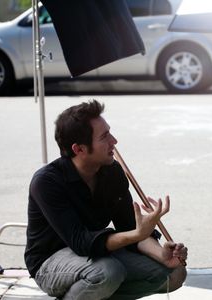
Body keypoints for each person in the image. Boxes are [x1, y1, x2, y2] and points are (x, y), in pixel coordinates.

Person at [24, 100, 187, 300]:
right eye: (104, 137)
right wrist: (136, 234)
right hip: (50, 261)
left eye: (110, 132)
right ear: (79, 149)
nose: (114, 141)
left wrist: (162, 254)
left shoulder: (112, 171)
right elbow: (81, 242)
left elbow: (128, 227)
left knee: (174, 273)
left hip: (96, 255)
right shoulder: (47, 182)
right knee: (107, 273)